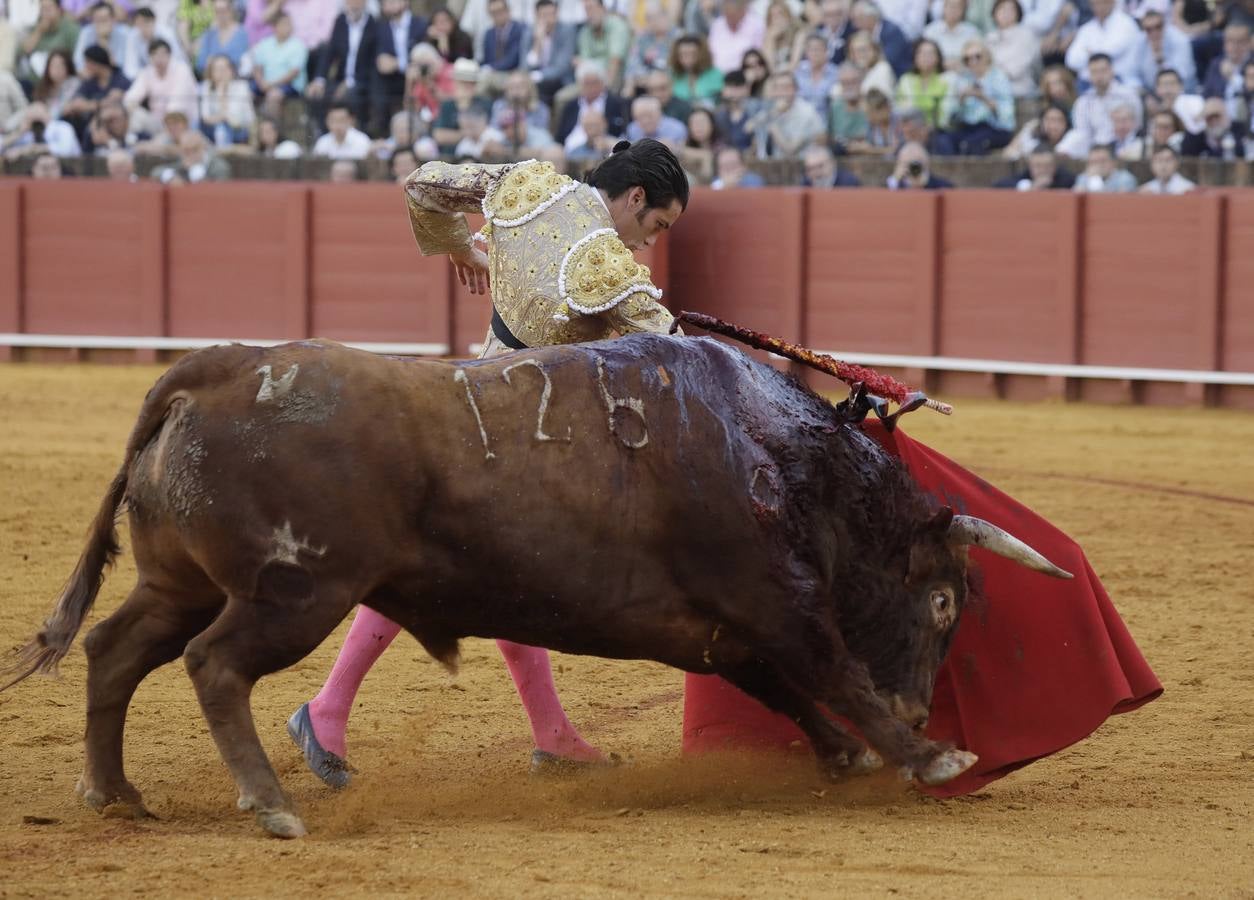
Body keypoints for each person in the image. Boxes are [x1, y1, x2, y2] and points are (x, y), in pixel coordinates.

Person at [287, 139, 690, 786]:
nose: (650, 243)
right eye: (656, 226)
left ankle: (551, 733)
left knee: (507, 576)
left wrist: (458, 248)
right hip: (517, 436)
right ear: (636, 197)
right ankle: (327, 708)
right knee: (436, 566)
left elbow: (422, 182)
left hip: (471, 397)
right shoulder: (607, 266)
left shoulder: (527, 183)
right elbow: (679, 358)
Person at [307, 0, 376, 131]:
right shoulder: (340, 21)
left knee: (349, 96)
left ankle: (354, 134)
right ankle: (324, 134)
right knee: (317, 94)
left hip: (363, 81)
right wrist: (319, 80)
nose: (354, 4)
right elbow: (330, 52)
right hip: (340, 79)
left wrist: (350, 82)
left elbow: (372, 63)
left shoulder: (373, 24)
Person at [939, 37, 1015, 154]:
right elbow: (951, 117)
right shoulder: (963, 79)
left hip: (994, 128)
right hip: (968, 127)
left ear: (987, 56)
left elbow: (1007, 115)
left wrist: (983, 97)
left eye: (977, 57)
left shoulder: (999, 77)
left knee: (972, 143)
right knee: (943, 141)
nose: (973, 61)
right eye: (967, 59)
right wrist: (961, 100)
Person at [1064, 52, 1139, 154]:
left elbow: (1137, 125)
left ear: (1112, 71)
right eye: (1094, 72)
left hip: (1125, 148)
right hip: (1094, 150)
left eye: (1103, 71)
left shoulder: (1129, 95)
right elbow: (1082, 132)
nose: (1099, 76)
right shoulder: (1083, 101)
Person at [123, 37, 197, 129]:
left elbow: (176, 105)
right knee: (136, 115)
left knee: (174, 119)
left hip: (183, 122)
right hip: (158, 123)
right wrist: (130, 105)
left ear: (169, 55)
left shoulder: (182, 70)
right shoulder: (147, 72)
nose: (158, 58)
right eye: (154, 55)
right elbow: (132, 96)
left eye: (162, 54)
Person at [751, 67, 825, 158]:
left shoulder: (806, 112)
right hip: (774, 164)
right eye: (778, 88)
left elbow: (790, 149)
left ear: (795, 89)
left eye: (786, 87)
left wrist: (772, 125)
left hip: (801, 164)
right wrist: (774, 113)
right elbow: (748, 128)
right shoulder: (773, 108)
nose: (782, 92)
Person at [1063, 0, 1140, 86]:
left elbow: (1108, 53)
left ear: (1112, 2)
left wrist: (1088, 52)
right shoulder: (1086, 28)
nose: (1098, 7)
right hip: (1089, 84)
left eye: (1102, 2)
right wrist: (1094, 53)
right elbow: (1071, 60)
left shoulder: (1126, 23)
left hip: (1122, 81)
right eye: (1094, 4)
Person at [249, 11, 308, 121]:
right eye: (284, 24)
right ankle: (251, 127)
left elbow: (294, 72)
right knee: (245, 92)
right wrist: (261, 82)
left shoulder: (298, 45)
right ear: (275, 27)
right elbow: (257, 67)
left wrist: (270, 84)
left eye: (289, 24)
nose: (288, 27)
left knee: (274, 96)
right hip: (265, 83)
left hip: (289, 86)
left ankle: (272, 127)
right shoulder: (265, 43)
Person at [524, 0, 577, 104]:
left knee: (538, 89)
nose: (549, 19)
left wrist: (538, 76)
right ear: (536, 16)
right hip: (535, 81)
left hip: (560, 79)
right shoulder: (529, 33)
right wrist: (537, 44)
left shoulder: (567, 31)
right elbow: (525, 66)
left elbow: (562, 66)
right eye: (544, 15)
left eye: (552, 14)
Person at [1132, 9, 1196, 92]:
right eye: (1149, 29)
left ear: (1164, 24)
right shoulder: (1140, 42)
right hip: (1151, 94)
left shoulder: (1180, 40)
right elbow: (1132, 74)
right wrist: (1144, 94)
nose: (1154, 32)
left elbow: (1182, 75)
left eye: (1158, 27)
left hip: (1182, 92)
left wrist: (1161, 61)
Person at [986, 0, 1039, 97]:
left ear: (1018, 13)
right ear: (994, 13)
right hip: (992, 91)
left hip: (1020, 91)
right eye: (1002, 9)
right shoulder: (990, 37)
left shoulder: (1027, 36)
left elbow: (1015, 70)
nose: (1006, 13)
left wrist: (993, 71)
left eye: (1010, 9)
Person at [198, 53, 252, 146]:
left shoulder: (241, 87)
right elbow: (205, 117)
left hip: (239, 130)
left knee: (222, 128)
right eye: (217, 69)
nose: (221, 73)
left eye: (224, 69)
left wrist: (222, 93)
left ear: (231, 70)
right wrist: (220, 91)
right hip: (213, 129)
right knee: (218, 128)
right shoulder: (206, 86)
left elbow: (236, 120)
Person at [894, 37, 946, 129]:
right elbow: (899, 108)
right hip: (909, 129)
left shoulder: (946, 79)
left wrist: (914, 106)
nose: (925, 57)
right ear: (915, 57)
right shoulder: (906, 79)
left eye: (930, 53)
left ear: (938, 57)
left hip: (937, 130)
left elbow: (944, 112)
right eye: (921, 53)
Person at [577, 0, 631, 88]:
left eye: (592, 8)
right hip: (590, 79)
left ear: (603, 8)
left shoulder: (617, 25)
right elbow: (583, 62)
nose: (590, 13)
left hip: (616, 77)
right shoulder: (585, 31)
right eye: (586, 10)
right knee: (563, 97)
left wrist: (606, 89)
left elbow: (615, 60)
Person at [149, 129, 231, 182]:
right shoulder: (182, 162)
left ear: (203, 148)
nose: (190, 154)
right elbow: (156, 172)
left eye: (194, 149)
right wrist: (171, 176)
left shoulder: (218, 166)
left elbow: (220, 189)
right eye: (186, 151)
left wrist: (198, 178)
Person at [71, 1, 130, 74]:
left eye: (105, 19)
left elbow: (120, 67)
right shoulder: (86, 32)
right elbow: (78, 62)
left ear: (113, 19)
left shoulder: (125, 33)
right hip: (92, 77)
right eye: (98, 20)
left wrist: (103, 42)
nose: (102, 23)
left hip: (118, 78)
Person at [709, 0, 766, 74]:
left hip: (746, 74)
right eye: (726, 14)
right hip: (718, 74)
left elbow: (760, 53)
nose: (729, 18)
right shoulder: (717, 24)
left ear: (742, 11)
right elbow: (710, 51)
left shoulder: (756, 24)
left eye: (732, 15)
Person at [194, 0, 246, 76]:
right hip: (212, 81)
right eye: (217, 11)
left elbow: (241, 62)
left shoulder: (242, 33)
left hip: (235, 80)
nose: (220, 15)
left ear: (231, 10)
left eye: (223, 11)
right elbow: (200, 64)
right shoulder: (209, 34)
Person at [670, 33, 725, 104]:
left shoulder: (716, 74)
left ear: (702, 54)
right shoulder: (672, 76)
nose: (687, 59)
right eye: (682, 54)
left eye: (693, 54)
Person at [923, 0, 980, 68]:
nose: (953, 10)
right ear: (944, 8)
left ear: (964, 10)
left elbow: (977, 56)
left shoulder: (972, 32)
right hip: (937, 72)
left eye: (957, 7)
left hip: (965, 73)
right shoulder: (930, 31)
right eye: (950, 6)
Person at [713, 68, 758, 149]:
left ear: (746, 89)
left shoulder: (757, 110)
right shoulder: (717, 114)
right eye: (730, 86)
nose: (733, 91)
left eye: (738, 86)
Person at [794, 31, 839, 113]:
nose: (814, 53)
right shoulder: (798, 71)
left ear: (826, 51)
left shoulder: (836, 73)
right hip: (802, 118)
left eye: (818, 49)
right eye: (811, 49)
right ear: (806, 52)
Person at [1072, 142, 1137, 191]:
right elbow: (1075, 200)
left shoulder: (1125, 178)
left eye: (1102, 161)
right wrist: (1094, 178)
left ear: (1113, 162)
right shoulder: (1083, 177)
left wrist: (1095, 180)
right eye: (1093, 162)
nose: (1098, 165)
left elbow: (1121, 201)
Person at [885, 138, 952, 186]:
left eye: (918, 161)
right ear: (900, 164)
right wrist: (895, 180)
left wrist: (927, 183)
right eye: (907, 163)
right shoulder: (895, 184)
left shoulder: (942, 185)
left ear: (927, 163)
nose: (914, 168)